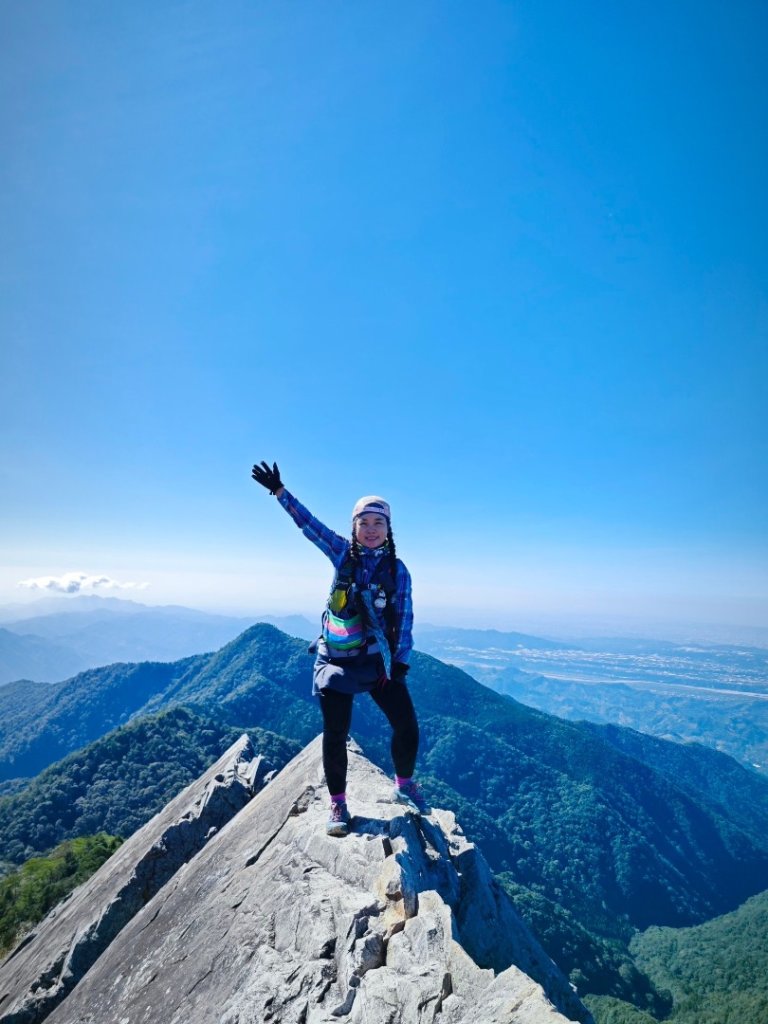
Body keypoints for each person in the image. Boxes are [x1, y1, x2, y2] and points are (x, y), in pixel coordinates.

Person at [251, 460, 428, 836]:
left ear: (388, 528)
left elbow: (405, 619)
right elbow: (309, 526)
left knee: (407, 728)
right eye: (363, 522)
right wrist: (281, 493)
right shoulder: (342, 553)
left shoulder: (398, 571)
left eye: (378, 523)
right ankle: (338, 806)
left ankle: (404, 785)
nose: (370, 529)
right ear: (354, 526)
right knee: (335, 734)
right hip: (336, 659)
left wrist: (401, 664)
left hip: (378, 662)